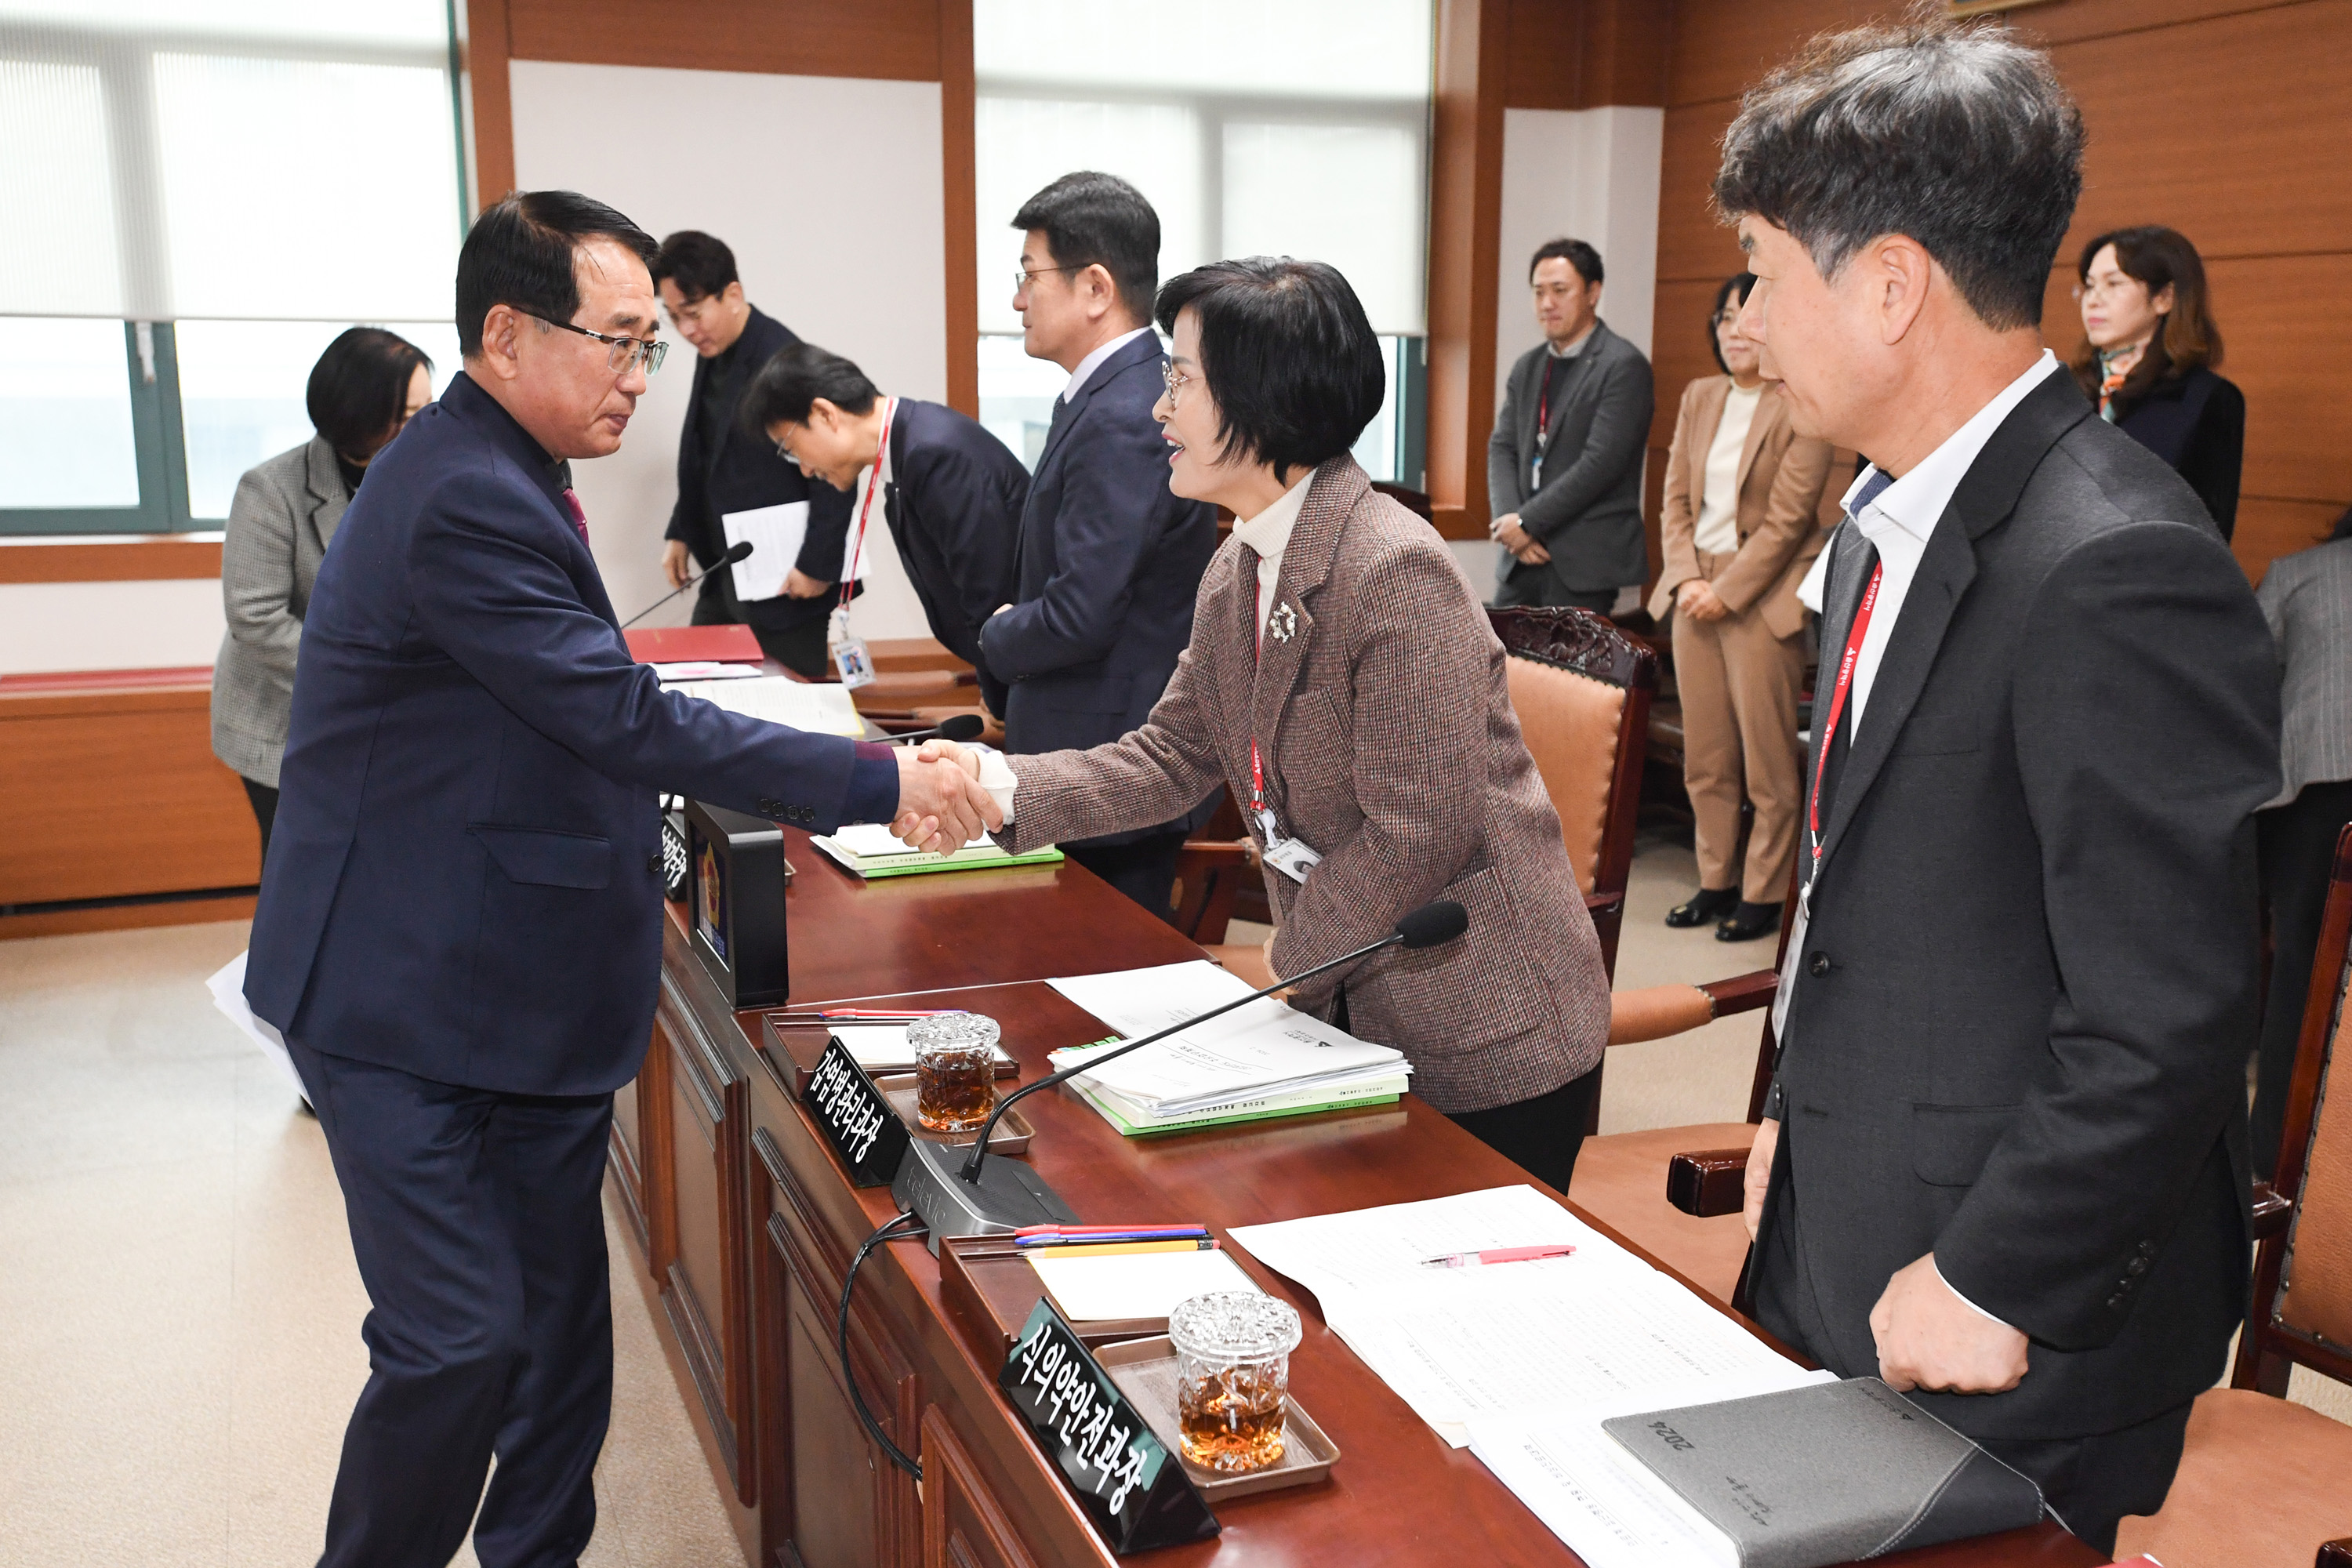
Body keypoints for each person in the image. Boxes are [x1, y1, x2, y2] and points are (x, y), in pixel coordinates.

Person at [241, 191, 996, 1568]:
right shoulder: (460, 492)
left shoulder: (502, 464)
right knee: (456, 1344)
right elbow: (619, 719)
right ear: (507, 331)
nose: (643, 383)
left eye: (656, 349)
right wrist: (884, 782)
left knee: (557, 1348)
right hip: (399, 996)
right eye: (621, 344)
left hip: (506, 982)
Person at [1717, 21, 2278, 1552]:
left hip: (2008, 1318)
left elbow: (2167, 1011)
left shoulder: (2115, 563)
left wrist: (1995, 1271)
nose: (1751, 320)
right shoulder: (1880, 525)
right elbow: (1865, 885)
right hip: (1844, 1222)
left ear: (1889, 283)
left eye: (1766, 270)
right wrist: (1799, 1115)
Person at [932, 256, 1613, 1190]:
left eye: (1181, 379)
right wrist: (997, 785)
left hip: (1483, 1031)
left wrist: (1276, 967)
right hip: (1344, 1010)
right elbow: (1173, 754)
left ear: (1262, 400)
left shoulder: (1392, 572)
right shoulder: (1240, 565)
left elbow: (1422, 833)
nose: (1159, 409)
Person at [975, 172, 1220, 917]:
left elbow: (1082, 611)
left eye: (1028, 275)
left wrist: (995, 633)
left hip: (1112, 772)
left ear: (1094, 287)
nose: (1018, 298)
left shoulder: (1124, 412)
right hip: (1085, 759)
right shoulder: (1109, 394)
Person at [1648, 274, 1834, 942]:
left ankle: (1761, 894)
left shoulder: (1804, 402)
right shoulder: (1700, 397)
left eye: (1744, 317)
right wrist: (1687, 579)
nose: (1733, 331)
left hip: (1762, 597)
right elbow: (1673, 503)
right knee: (1708, 758)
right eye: (1723, 318)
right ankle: (1715, 879)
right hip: (1693, 590)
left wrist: (1724, 592)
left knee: (1767, 764)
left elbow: (1789, 522)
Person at [210, 328, 432, 862]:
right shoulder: (271, 489)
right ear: (356, 414)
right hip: (286, 721)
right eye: (404, 415)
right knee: (302, 873)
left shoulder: (424, 475)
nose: (422, 428)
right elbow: (256, 616)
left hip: (394, 720)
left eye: (429, 410)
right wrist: (366, 677)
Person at [744, 343, 1026, 706]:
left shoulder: (934, 454)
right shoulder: (912, 445)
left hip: (1033, 680)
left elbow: (988, 594)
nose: (805, 468)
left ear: (825, 414)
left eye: (792, 448)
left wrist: (999, 702)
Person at [650, 230, 855, 677]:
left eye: (694, 313)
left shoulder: (784, 360)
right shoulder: (716, 349)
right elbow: (706, 454)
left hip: (785, 583)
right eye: (674, 317)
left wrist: (816, 566)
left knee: (786, 715)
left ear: (733, 294)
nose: (687, 330)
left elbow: (837, 466)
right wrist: (681, 530)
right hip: (728, 570)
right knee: (699, 691)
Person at [2250, 506, 2352, 1179]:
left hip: (2314, 795)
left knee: (2300, 974)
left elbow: (2245, 682)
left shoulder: (2298, 573)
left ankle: (2272, 1161)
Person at [1486, 238, 1653, 613]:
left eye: (1560, 291)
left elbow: (1602, 464)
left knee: (1573, 672)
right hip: (1520, 559)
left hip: (1583, 563)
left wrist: (1528, 521)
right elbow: (1502, 447)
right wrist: (1512, 525)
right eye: (1539, 292)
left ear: (1593, 292)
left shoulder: (1623, 366)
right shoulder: (1527, 367)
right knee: (1502, 669)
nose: (1547, 303)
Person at [2070, 226, 2245, 540]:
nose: (2093, 301)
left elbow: (2210, 535)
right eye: (2089, 286)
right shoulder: (2064, 390)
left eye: (2114, 284)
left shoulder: (2206, 399)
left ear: (2164, 298)